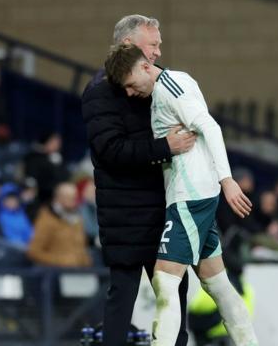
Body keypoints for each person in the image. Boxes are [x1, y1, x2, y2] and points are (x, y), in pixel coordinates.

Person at [104, 43, 258, 346]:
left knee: (164, 279)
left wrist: (227, 180)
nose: (131, 93)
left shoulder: (171, 87)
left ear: (145, 67)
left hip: (190, 196)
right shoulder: (169, 86)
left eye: (132, 85)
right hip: (195, 194)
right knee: (218, 285)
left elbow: (210, 127)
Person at [81, 15, 195, 346]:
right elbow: (111, 150)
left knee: (174, 297)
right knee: (123, 297)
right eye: (153, 44)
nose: (159, 52)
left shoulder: (159, 83)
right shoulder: (100, 91)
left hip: (163, 208)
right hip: (126, 215)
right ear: (129, 45)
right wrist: (166, 147)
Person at [27, 182, 92, 268]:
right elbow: (34, 251)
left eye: (74, 197)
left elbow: (82, 246)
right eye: (69, 197)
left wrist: (85, 260)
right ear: (59, 198)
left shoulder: (77, 219)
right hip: (57, 273)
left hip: (80, 272)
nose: (74, 200)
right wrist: (60, 261)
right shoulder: (47, 220)